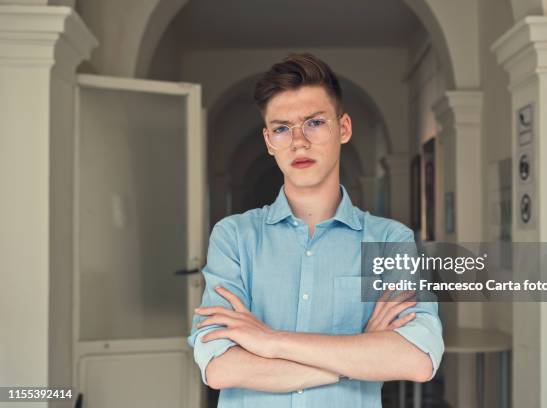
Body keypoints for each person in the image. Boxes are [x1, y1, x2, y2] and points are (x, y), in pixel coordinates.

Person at [187, 52, 444, 408]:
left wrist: (272, 342)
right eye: (281, 128)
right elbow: (220, 367)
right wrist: (357, 356)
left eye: (314, 122)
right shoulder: (234, 237)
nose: (298, 141)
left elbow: (418, 358)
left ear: (344, 128)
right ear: (268, 141)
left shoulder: (388, 241)